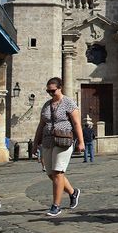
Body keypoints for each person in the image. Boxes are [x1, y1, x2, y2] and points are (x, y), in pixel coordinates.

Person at [33, 77, 84, 217]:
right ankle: (73, 192)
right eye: (48, 91)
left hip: (63, 141)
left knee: (57, 173)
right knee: (50, 173)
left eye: (53, 91)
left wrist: (81, 141)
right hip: (48, 141)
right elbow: (41, 125)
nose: (50, 93)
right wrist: (35, 143)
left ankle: (56, 206)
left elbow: (77, 123)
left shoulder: (68, 102)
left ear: (60, 88)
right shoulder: (46, 105)